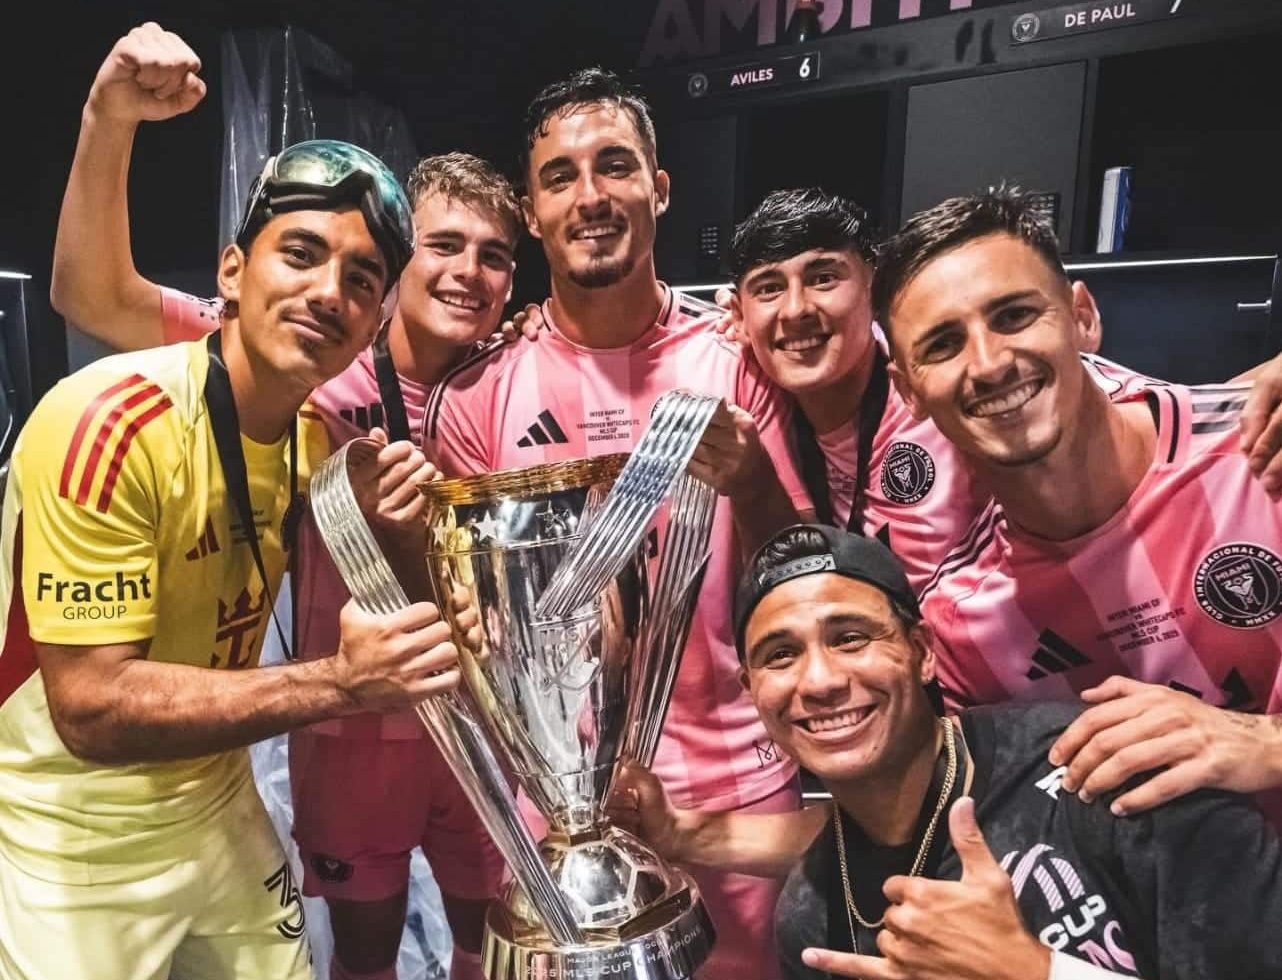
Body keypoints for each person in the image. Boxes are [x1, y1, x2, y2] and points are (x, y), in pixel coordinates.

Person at [47, 24, 519, 980]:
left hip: (480, 719)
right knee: (365, 951)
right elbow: (95, 295)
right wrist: (110, 116)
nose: (468, 272)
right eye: (443, 246)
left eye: (496, 255)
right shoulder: (301, 360)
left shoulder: (520, 372)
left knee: (496, 938)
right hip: (347, 728)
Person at [423, 67, 809, 980]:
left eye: (615, 166)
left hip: (735, 787)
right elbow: (473, 616)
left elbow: (798, 572)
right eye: (561, 177)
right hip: (558, 802)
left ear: (659, 187)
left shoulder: (738, 359)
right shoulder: (479, 390)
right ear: (531, 212)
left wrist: (752, 480)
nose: (590, 196)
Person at [609, 524, 1282, 980]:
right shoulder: (811, 918)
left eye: (850, 637)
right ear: (753, 693)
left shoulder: (1104, 763)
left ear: (922, 652)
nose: (819, 681)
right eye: (780, 655)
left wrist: (1034, 972)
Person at [873, 186, 1282, 821]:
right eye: (943, 345)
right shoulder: (963, 624)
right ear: (909, 392)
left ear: (1082, 317)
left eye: (1014, 316)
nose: (989, 364)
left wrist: (1268, 745)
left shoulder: (1261, 453)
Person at [721, 187, 1282, 590]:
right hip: (942, 656)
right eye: (768, 289)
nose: (796, 310)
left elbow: (1187, 419)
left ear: (872, 293)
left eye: (824, 278)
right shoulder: (750, 386)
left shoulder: (956, 380)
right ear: (741, 316)